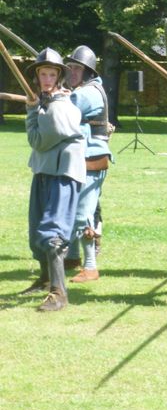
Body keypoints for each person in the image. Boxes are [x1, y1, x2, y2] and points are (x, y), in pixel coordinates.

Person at [21, 48, 86, 311]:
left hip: (64, 173)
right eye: (42, 74)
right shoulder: (46, 103)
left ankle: (59, 293)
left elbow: (38, 139)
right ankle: (46, 278)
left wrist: (33, 112)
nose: (46, 79)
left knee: (53, 234)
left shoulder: (61, 106)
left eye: (51, 74)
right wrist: (37, 107)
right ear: (36, 77)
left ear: (58, 77)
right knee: (37, 230)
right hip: (44, 170)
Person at [64, 46, 112, 283]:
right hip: (82, 159)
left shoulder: (87, 93)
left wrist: (48, 99)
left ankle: (91, 267)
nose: (71, 72)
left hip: (92, 161)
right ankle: (73, 257)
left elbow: (65, 111)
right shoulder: (84, 89)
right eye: (70, 67)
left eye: (76, 68)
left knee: (83, 214)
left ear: (88, 72)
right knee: (73, 208)